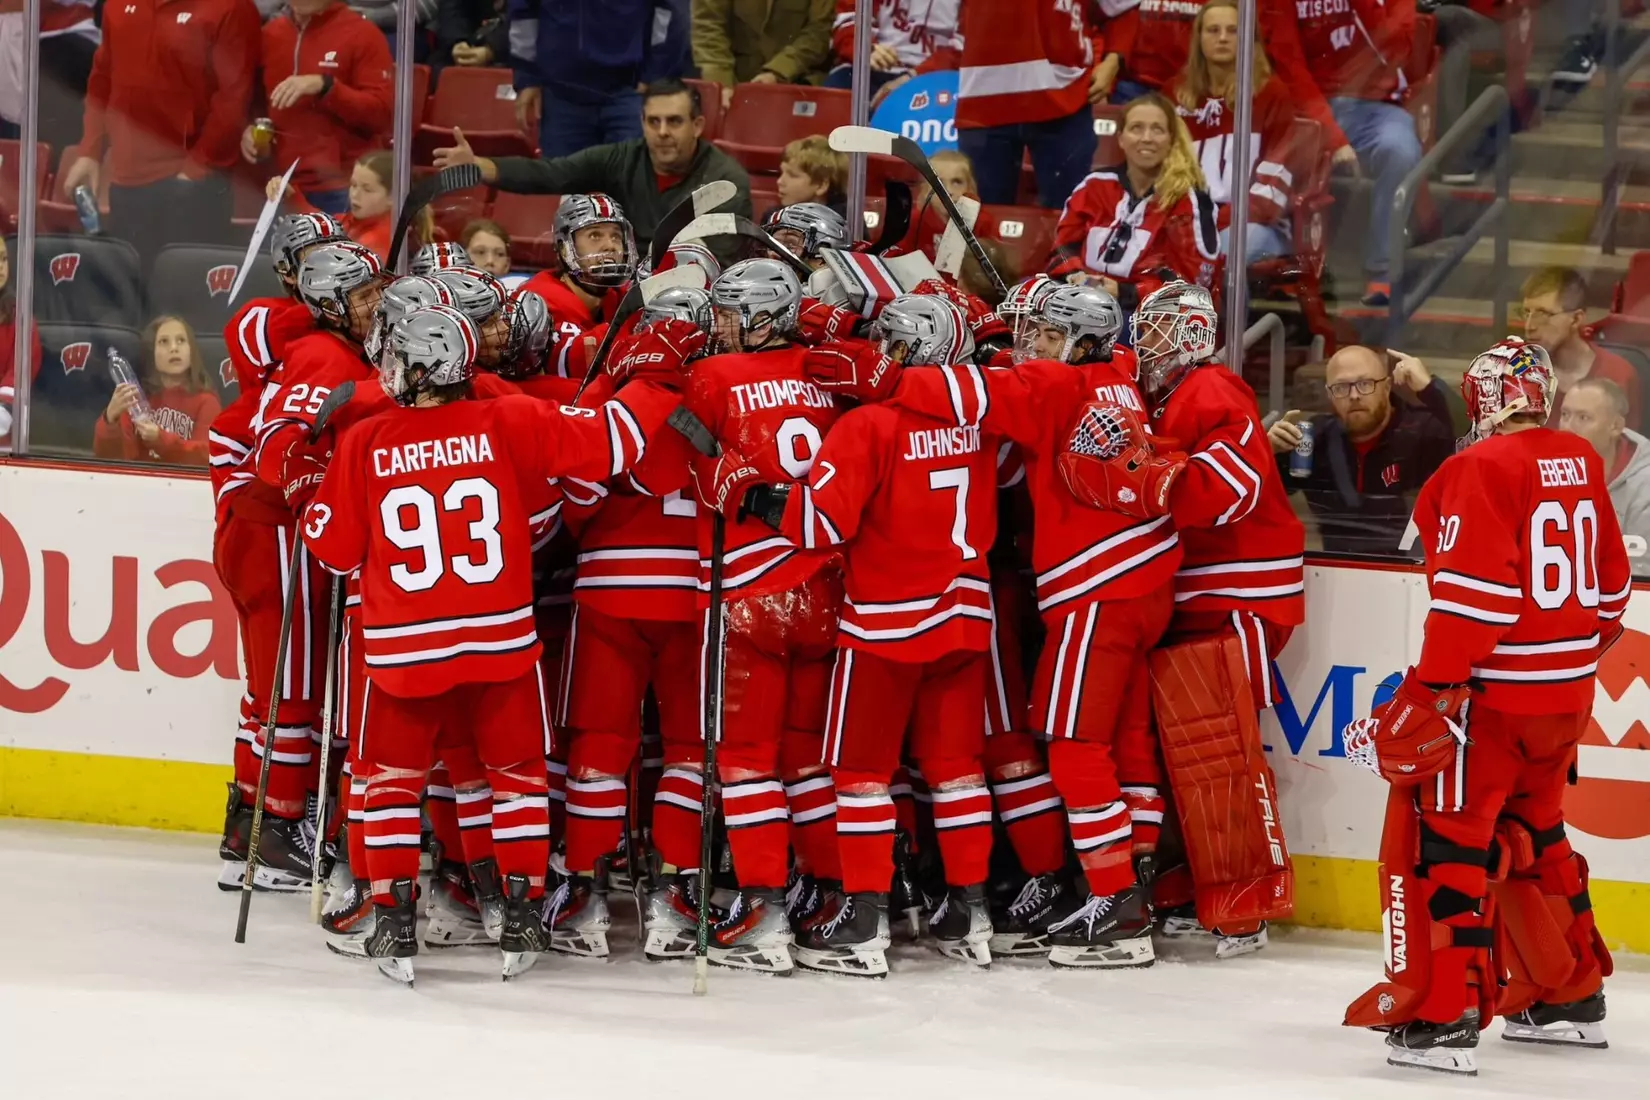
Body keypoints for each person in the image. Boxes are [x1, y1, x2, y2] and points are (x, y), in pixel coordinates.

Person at [299, 303, 687, 983]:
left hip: (404, 652)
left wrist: (313, 484)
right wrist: (657, 380)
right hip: (500, 641)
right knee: (518, 782)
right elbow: (613, 444)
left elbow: (332, 551)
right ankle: (522, 912)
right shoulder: (509, 419)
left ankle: (393, 920)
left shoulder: (366, 440)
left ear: (422, 369)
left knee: (391, 787)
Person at [811, 284, 1184, 968]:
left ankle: (1116, 902)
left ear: (1083, 341)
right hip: (1127, 582)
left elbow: (964, 396)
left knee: (1072, 748)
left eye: (1049, 334)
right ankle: (1105, 891)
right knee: (1113, 746)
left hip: (1092, 588)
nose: (1033, 344)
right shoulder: (1119, 373)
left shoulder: (1054, 384)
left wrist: (889, 375)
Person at [1342, 337, 1631, 1075]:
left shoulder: (1480, 466)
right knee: (1538, 834)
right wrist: (1564, 663)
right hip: (1566, 697)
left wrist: (1430, 691)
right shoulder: (1580, 459)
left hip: (1492, 701)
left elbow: (1478, 600)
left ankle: (1446, 1015)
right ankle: (1568, 996)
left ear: (1485, 398)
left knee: (1447, 848)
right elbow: (1611, 594)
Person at [713, 294, 996, 977]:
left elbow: (819, 525)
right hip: (967, 613)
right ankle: (971, 911)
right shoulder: (975, 418)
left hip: (888, 623)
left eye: (884, 344)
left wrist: (751, 493)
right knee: (957, 770)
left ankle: (863, 920)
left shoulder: (867, 423)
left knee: (861, 773)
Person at [1053, 280, 1304, 959]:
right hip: (1195, 595)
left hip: (1240, 594)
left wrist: (1145, 463)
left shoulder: (1215, 389)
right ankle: (1195, 884)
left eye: (1160, 327)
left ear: (1194, 333)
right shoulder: (1164, 395)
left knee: (1223, 750)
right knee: (1186, 753)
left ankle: (1247, 903)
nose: (1146, 339)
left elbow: (1225, 493)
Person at [674, 258, 848, 974]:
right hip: (824, 586)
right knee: (807, 759)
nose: (717, 326)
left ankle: (764, 907)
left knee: (745, 761)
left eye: (728, 313)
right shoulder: (826, 368)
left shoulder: (713, 376)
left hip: (746, 592)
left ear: (765, 316)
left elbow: (686, 464)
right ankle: (826, 891)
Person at [547, 312, 713, 960]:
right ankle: (677, 893)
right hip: (695, 590)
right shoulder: (724, 384)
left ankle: (585, 894)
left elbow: (577, 498)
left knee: (600, 746)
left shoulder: (611, 392)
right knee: (689, 750)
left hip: (611, 589)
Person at [210, 213, 344, 892]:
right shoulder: (276, 323)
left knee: (267, 691)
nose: (334, 271)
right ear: (291, 271)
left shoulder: (316, 337)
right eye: (319, 260)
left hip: (256, 524)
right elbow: (262, 337)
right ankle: (277, 833)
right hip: (271, 525)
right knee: (292, 691)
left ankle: (248, 824)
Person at [433, 80, 754, 255]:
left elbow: (720, 259)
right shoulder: (622, 157)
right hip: (621, 283)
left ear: (697, 126)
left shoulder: (725, 180)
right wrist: (478, 166)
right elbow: (551, 174)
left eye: (674, 121)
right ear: (642, 122)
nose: (662, 132)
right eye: (653, 121)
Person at [59, 0, 260, 266]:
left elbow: (233, 99)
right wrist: (90, 151)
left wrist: (196, 171)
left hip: (194, 185)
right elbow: (103, 78)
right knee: (133, 284)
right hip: (126, 181)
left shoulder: (231, 7)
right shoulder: (116, 4)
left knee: (185, 287)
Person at [1289, 0, 1422, 306]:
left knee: (1400, 151)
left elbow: (1395, 51)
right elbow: (1290, 68)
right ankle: (1284, 268)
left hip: (1376, 107)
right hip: (1308, 110)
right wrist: (1334, 138)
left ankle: (1382, 267)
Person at [1266, 345, 1455, 555]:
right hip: (1333, 566)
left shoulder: (1424, 431)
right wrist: (1266, 452)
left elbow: (1476, 446)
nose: (1354, 395)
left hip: (1410, 568)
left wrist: (1431, 389)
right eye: (1341, 387)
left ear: (1386, 387)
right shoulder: (1313, 441)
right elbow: (1256, 498)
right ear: (1330, 394)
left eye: (1365, 384)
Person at [1050, 94, 1221, 311]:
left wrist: (1125, 292)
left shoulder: (1189, 201)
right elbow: (1061, 249)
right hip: (1083, 301)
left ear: (1171, 139)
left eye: (1157, 129)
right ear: (1121, 138)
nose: (1146, 138)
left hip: (1148, 315)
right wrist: (1075, 275)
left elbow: (1190, 284)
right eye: (1136, 128)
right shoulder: (1094, 186)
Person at [1171, 0, 1294, 263]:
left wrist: (1213, 221)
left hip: (1252, 223)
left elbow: (1272, 187)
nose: (1223, 38)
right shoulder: (1175, 93)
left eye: (1233, 30)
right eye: (1213, 30)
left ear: (1250, 38)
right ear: (1198, 38)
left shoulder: (1272, 94)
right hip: (1185, 219)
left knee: (1220, 256)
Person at [244, 0, 393, 216]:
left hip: (342, 187)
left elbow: (381, 114)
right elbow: (257, 103)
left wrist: (326, 86)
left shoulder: (363, 34)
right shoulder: (270, 34)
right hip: (282, 185)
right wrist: (250, 129)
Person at [955, 0, 1102, 207]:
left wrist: (1114, 59)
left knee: (1070, 215)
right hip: (983, 98)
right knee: (978, 218)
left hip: (1066, 98)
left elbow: (1120, 8)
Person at [507, 0, 687, 158]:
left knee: (633, 183)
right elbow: (523, 13)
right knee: (563, 185)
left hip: (629, 93)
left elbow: (671, 12)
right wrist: (527, 77)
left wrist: (655, 74)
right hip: (561, 97)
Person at [516, 194, 638, 379]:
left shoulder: (625, 299)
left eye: (616, 236)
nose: (610, 246)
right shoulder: (536, 305)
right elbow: (571, 369)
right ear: (564, 249)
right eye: (595, 235)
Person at [1521, 267, 1642, 431]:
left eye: (1542, 314)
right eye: (1526, 313)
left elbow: (1628, 443)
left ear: (1576, 319)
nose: (1529, 326)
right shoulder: (1516, 374)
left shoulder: (1619, 375)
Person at [93, 316, 220, 466]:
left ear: (191, 350)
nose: (174, 348)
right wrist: (110, 419)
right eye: (164, 342)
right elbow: (109, 459)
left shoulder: (207, 402)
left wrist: (160, 439)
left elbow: (208, 457)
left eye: (181, 340)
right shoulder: (136, 399)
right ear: (151, 352)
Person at [1560, 378, 1650, 552]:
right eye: (1565, 415)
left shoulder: (1644, 486)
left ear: (1615, 426)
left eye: (1583, 418)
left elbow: (1642, 563)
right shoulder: (1544, 467)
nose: (1567, 428)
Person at [692, 0, 836, 109]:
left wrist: (777, 72)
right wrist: (721, 84)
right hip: (733, 83)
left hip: (799, 85)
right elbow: (708, 26)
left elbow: (819, 32)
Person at [271, 150, 401, 260]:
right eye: (353, 185)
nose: (355, 194)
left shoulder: (379, 241)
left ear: (392, 197)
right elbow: (321, 224)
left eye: (367, 189)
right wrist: (291, 195)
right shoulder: (350, 220)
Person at [824, 0, 964, 97]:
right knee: (837, 92)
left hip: (933, 75)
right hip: (871, 66)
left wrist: (914, 76)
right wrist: (865, 48)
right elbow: (848, 20)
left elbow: (963, 46)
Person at [0, 236, 42, 451]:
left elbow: (19, 372)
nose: (0, 266)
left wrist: (3, 410)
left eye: (3, 259)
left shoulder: (21, 319)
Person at [436, 0, 508, 77]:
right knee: (440, 70)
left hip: (509, 50)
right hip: (470, 36)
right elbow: (453, 7)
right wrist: (457, 42)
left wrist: (491, 50)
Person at [776, 135, 847, 211]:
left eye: (792, 175)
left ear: (821, 185)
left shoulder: (845, 218)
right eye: (782, 172)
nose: (779, 182)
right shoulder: (773, 215)